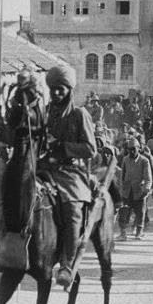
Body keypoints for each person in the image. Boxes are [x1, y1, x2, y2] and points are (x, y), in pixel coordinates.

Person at [40, 65, 96, 287]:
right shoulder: (43, 112)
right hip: (44, 168)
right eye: (53, 89)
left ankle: (66, 263)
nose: (56, 93)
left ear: (69, 90)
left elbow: (90, 149)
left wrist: (63, 146)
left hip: (70, 171)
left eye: (61, 89)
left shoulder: (79, 114)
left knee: (72, 210)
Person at [118, 138, 152, 240]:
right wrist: (121, 190)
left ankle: (139, 232)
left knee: (140, 213)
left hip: (139, 191)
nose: (131, 151)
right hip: (127, 191)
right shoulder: (125, 159)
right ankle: (123, 233)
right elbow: (122, 176)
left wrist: (146, 190)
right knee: (124, 212)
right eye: (129, 149)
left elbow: (148, 178)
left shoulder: (144, 161)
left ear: (138, 148)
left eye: (133, 149)